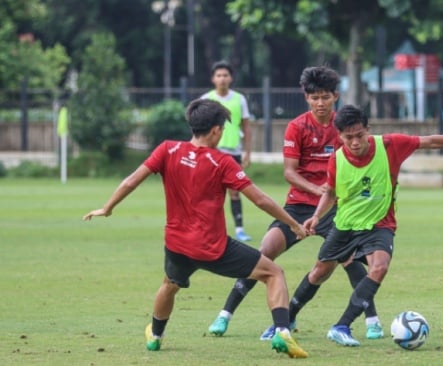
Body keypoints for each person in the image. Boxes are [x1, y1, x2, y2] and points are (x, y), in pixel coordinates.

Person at [82, 99, 308, 358]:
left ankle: (155, 336)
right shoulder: (222, 162)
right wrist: (293, 224)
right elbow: (260, 199)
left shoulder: (168, 149)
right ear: (215, 130)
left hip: (177, 245)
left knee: (169, 284)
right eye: (222, 128)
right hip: (213, 248)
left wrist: (107, 208)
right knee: (274, 273)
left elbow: (131, 180)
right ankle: (282, 333)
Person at [208, 66, 385, 341]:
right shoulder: (297, 126)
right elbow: (290, 172)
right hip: (299, 206)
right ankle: (224, 315)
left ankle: (372, 321)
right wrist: (319, 190)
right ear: (306, 98)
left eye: (325, 97)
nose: (320, 103)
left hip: (334, 209)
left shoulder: (344, 129)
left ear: (335, 96)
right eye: (314, 97)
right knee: (263, 253)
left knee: (349, 259)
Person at [300, 104, 443, 347]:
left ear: (368, 130)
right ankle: (285, 320)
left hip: (380, 223)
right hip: (346, 225)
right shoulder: (337, 159)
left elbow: (431, 141)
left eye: (360, 135)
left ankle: (341, 326)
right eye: (348, 137)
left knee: (379, 267)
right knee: (319, 273)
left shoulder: (390, 145)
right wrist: (317, 216)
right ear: (340, 136)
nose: (355, 142)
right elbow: (330, 192)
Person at [201, 60, 253, 242]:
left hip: (233, 152)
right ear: (213, 79)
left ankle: (239, 228)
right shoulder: (205, 99)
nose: (222, 79)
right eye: (219, 75)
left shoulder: (240, 99)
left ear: (230, 78)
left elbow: (246, 126)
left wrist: (248, 151)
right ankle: (206, 228)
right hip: (211, 152)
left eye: (225, 75)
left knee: (235, 191)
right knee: (208, 192)